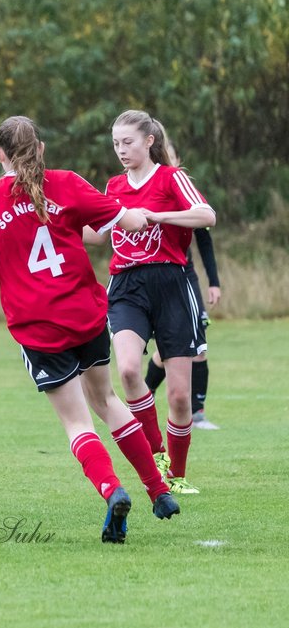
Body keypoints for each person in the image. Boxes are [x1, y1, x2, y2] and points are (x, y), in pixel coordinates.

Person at [0, 116, 179, 544]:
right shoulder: (65, 183)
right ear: (40, 149)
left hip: (38, 327)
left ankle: (112, 491)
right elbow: (119, 222)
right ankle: (159, 490)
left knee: (78, 425)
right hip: (86, 315)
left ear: (0, 155)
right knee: (107, 399)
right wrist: (141, 214)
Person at [88, 110, 215, 496]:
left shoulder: (172, 178)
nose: (120, 150)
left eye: (127, 142)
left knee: (179, 397)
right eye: (115, 144)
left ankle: (177, 473)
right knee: (127, 370)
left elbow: (206, 215)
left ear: (148, 140)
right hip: (126, 285)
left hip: (173, 286)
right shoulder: (112, 187)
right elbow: (96, 233)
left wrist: (156, 216)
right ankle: (156, 452)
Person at [145, 227, 221, 428]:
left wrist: (214, 282)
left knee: (198, 347)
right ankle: (144, 395)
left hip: (185, 274)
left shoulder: (188, 199)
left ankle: (197, 413)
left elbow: (204, 239)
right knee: (166, 350)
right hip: (155, 274)